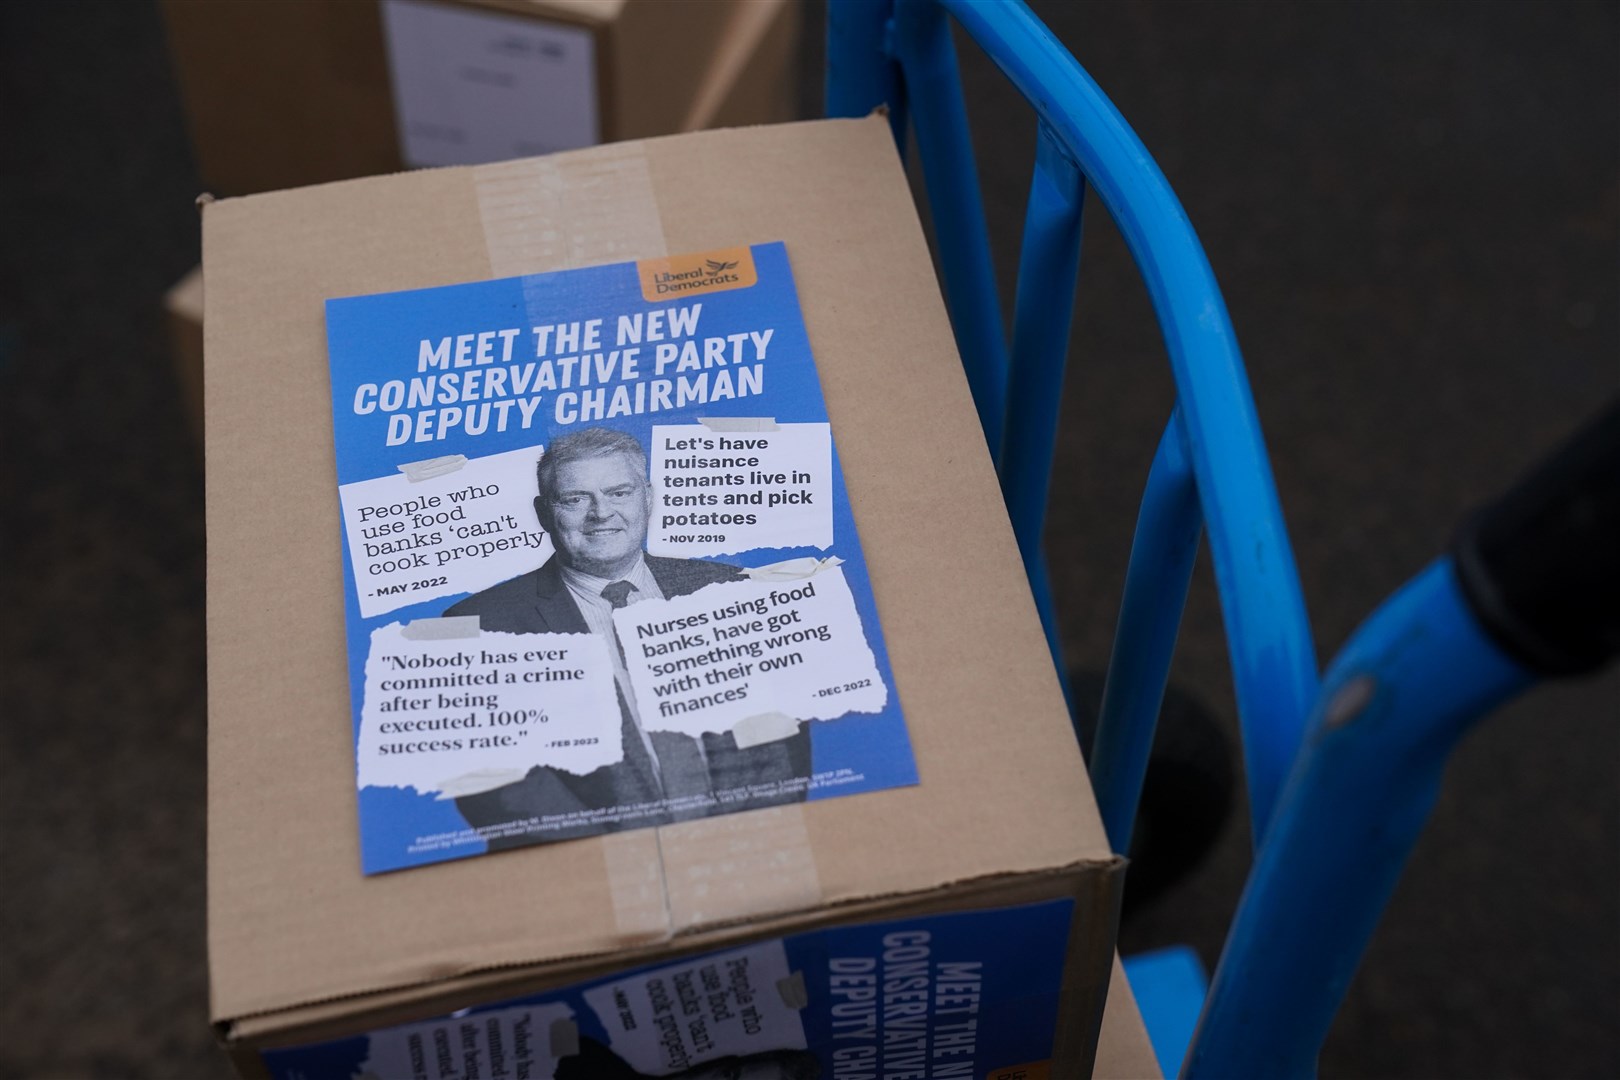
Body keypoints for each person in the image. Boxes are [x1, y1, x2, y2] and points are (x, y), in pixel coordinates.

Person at [445, 427, 810, 848]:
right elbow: (499, 785)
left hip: (750, 850)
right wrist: (632, 859)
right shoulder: (478, 624)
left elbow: (780, 745)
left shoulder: (728, 588)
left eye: (619, 492)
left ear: (648, 498)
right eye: (575, 498)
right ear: (544, 513)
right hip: (589, 873)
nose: (601, 513)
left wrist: (744, 842)